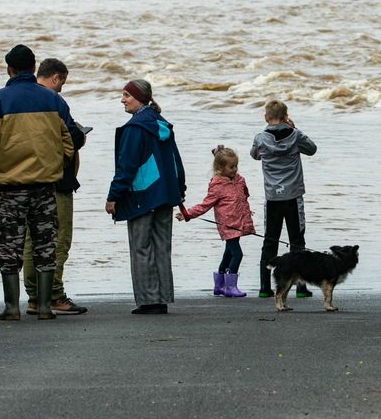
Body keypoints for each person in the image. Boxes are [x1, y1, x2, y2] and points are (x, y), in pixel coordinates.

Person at [0, 44, 74, 321]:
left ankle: (12, 307)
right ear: (33, 68)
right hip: (45, 186)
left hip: (9, 188)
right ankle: (43, 307)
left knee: (8, 246)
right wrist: (57, 163)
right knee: (45, 244)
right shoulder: (54, 101)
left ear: (9, 69)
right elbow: (70, 140)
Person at [105, 79, 186, 314]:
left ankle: (149, 300)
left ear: (140, 98)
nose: (123, 99)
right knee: (162, 246)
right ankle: (161, 298)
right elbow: (175, 161)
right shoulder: (162, 123)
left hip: (142, 195)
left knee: (141, 247)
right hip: (166, 194)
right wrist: (179, 190)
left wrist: (113, 196)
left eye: (127, 95)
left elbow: (126, 167)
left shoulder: (135, 128)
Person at [21, 58, 89, 315]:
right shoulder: (54, 101)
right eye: (62, 82)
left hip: (27, 179)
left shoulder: (17, 99)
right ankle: (55, 295)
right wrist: (81, 136)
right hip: (57, 180)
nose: (61, 88)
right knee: (58, 239)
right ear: (56, 78)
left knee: (30, 240)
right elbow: (69, 136)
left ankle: (34, 297)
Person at [250, 99, 317, 299]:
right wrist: (295, 129)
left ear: (266, 117)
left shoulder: (260, 138)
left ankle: (264, 286)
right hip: (293, 196)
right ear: (286, 116)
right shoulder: (295, 136)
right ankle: (301, 287)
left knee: (270, 241)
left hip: (272, 197)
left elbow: (255, 155)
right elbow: (312, 149)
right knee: (297, 241)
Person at [178, 145, 254, 298]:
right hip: (227, 224)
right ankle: (230, 286)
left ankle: (219, 286)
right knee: (237, 254)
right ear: (220, 167)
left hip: (239, 222)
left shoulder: (239, 181)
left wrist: (246, 213)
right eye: (231, 167)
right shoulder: (218, 185)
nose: (234, 169)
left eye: (236, 166)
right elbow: (205, 205)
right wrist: (188, 214)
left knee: (228, 254)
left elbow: (243, 198)